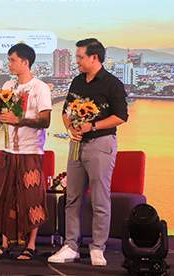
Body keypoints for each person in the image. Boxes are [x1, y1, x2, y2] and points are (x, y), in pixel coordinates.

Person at [48, 38, 128, 267]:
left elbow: (121, 116)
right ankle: (70, 245)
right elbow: (66, 110)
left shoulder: (112, 83)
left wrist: (91, 126)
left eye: (80, 57)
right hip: (76, 145)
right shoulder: (77, 81)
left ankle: (97, 247)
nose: (77, 61)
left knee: (100, 199)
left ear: (95, 57)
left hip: (101, 144)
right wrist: (70, 128)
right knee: (72, 198)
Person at [0, 43, 51, 261]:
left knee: (31, 198)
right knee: (4, 198)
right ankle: (6, 245)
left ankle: (30, 245)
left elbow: (45, 120)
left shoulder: (40, 87)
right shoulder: (8, 85)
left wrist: (18, 120)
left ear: (25, 62)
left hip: (30, 152)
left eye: (12, 60)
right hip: (7, 151)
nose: (9, 64)